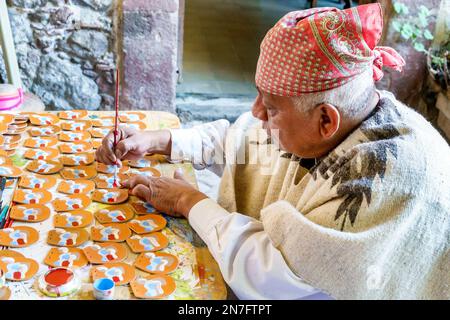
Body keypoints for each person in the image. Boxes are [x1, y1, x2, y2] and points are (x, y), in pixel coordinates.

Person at [96, 3, 450, 299]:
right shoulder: (333, 120)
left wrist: (188, 202)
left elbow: (270, 274)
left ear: (325, 121)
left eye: (270, 105)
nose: (256, 112)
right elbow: (243, 141)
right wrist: (159, 140)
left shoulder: (383, 183)